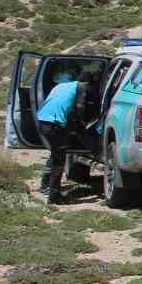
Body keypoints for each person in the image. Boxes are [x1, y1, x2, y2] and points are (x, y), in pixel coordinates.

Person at [36, 72, 93, 205]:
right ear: (87, 84)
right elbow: (79, 107)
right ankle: (54, 196)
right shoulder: (80, 87)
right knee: (59, 161)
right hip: (54, 124)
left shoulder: (62, 86)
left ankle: (45, 185)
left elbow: (62, 103)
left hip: (42, 120)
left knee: (56, 154)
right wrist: (83, 123)